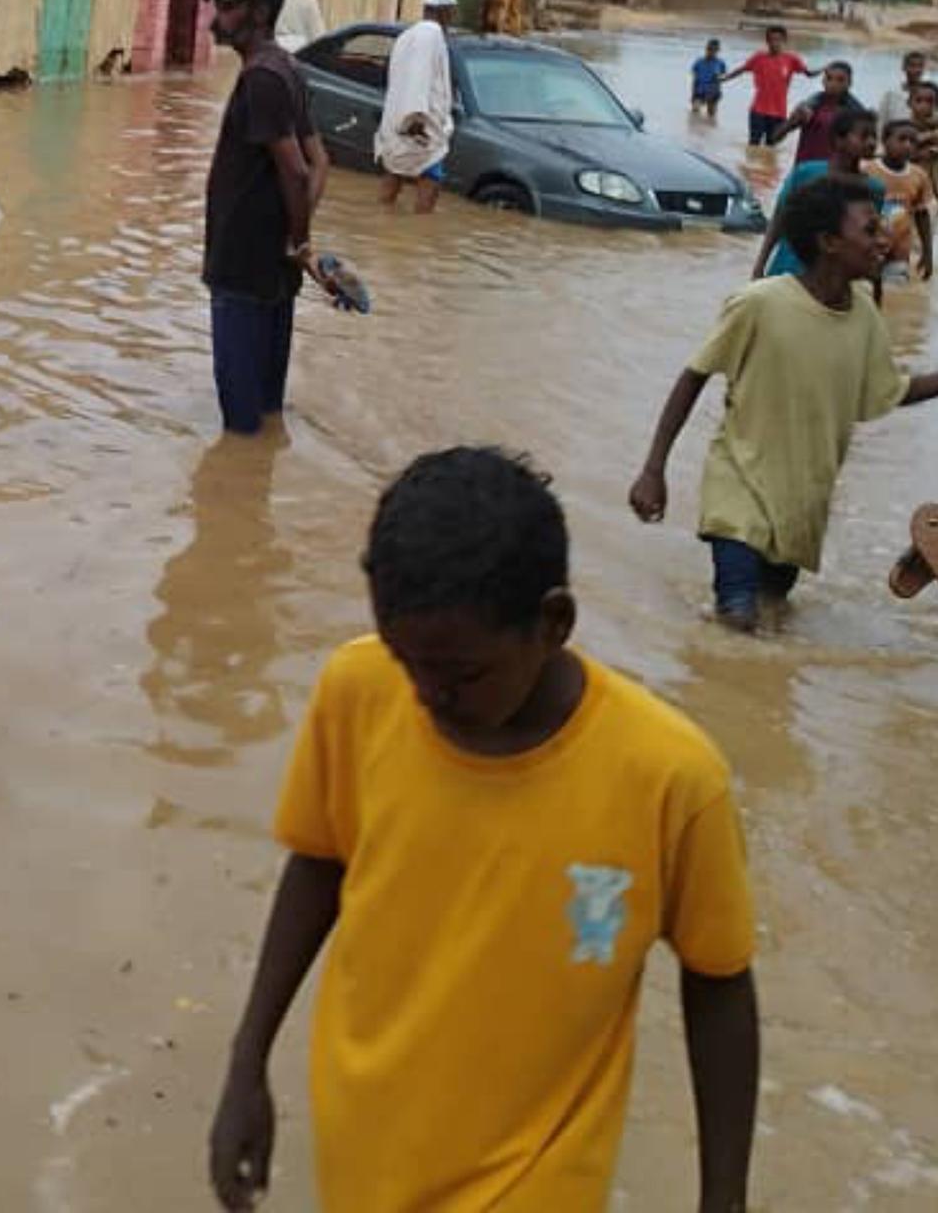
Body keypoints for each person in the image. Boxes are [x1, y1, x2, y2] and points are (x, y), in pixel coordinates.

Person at [210, 448, 758, 1212]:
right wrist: (247, 1061)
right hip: (365, 1142)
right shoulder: (359, 690)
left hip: (539, 1176)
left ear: (553, 623)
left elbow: (719, 982)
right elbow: (319, 863)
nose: (427, 695)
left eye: (461, 675)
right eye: (406, 661)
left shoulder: (669, 777)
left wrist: (723, 1200)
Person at [631, 175, 938, 631]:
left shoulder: (866, 317)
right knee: (738, 618)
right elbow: (695, 375)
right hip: (739, 488)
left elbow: (887, 392)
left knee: (772, 619)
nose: (884, 240)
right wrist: (653, 469)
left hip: (801, 508)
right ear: (829, 242)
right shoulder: (760, 304)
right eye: (870, 229)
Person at [200, 0, 349, 436]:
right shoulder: (288, 68)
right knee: (266, 413)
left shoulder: (262, 78)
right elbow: (320, 162)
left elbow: (298, 170)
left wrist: (299, 240)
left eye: (229, 6)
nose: (218, 16)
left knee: (240, 424)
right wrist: (296, 243)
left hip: (242, 265)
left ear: (260, 13)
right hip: (274, 268)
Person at [749, 105, 881, 285]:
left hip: (835, 279)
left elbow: (869, 239)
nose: (872, 142)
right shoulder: (805, 173)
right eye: (864, 136)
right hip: (787, 268)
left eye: (874, 137)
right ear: (839, 140)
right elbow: (779, 219)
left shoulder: (874, 189)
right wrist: (759, 266)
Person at [376, 0, 457, 213]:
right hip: (421, 124)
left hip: (397, 119)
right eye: (452, 13)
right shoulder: (431, 35)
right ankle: (421, 223)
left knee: (395, 170)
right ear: (445, 12)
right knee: (430, 178)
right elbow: (419, 77)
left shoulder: (407, 35)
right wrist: (416, 118)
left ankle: (382, 218)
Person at [864, 119, 935, 283]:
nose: (907, 145)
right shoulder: (868, 171)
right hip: (868, 249)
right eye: (902, 139)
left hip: (899, 252)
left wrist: (927, 253)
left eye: (913, 141)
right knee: (866, 291)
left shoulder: (919, 175)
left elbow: (922, 214)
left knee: (895, 292)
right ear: (885, 141)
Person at [721, 25, 816, 148]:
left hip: (779, 113)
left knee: (771, 146)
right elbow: (741, 70)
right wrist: (724, 79)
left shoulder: (792, 59)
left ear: (784, 40)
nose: (774, 43)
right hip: (758, 111)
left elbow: (808, 73)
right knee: (753, 145)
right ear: (767, 41)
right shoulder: (758, 57)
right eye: (771, 40)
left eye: (778, 40)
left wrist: (826, 68)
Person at [771, 58, 861, 164]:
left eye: (840, 80)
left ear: (849, 83)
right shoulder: (808, 107)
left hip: (835, 172)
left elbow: (865, 151)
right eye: (829, 78)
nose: (833, 84)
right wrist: (791, 122)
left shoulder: (855, 114)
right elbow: (775, 138)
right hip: (804, 170)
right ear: (823, 81)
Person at [876, 49, 927, 130]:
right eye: (912, 66)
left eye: (920, 66)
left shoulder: (929, 96)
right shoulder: (891, 95)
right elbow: (881, 122)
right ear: (904, 67)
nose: (916, 70)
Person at [690, 38, 728, 118]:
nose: (710, 52)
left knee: (711, 115)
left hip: (713, 92)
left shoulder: (720, 63)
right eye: (709, 49)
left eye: (714, 50)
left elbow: (724, 76)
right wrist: (693, 93)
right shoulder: (699, 62)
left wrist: (719, 78)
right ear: (706, 49)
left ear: (717, 51)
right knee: (695, 112)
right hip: (699, 91)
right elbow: (694, 78)